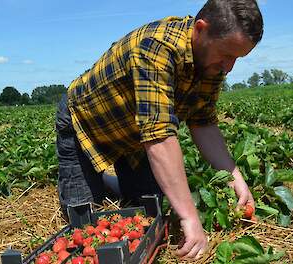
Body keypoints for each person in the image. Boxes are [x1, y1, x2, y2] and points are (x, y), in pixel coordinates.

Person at [55, 0, 263, 259]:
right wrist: (189, 216)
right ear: (200, 29)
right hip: (86, 123)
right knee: (84, 221)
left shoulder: (211, 63)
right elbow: (159, 136)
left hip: (134, 137)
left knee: (149, 212)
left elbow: (203, 122)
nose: (229, 67)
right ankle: (94, 178)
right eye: (226, 54)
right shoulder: (156, 47)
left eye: (237, 58)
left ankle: (109, 180)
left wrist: (235, 177)